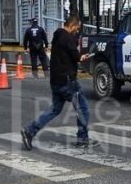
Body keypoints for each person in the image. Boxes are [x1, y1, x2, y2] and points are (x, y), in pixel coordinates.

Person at [21, 15, 97, 149]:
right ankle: (83, 139)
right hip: (68, 81)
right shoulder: (68, 38)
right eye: (77, 28)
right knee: (83, 109)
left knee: (54, 109)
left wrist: (77, 56)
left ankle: (30, 131)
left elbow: (66, 56)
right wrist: (82, 57)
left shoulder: (57, 36)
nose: (77, 31)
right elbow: (76, 56)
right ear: (71, 26)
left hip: (56, 81)